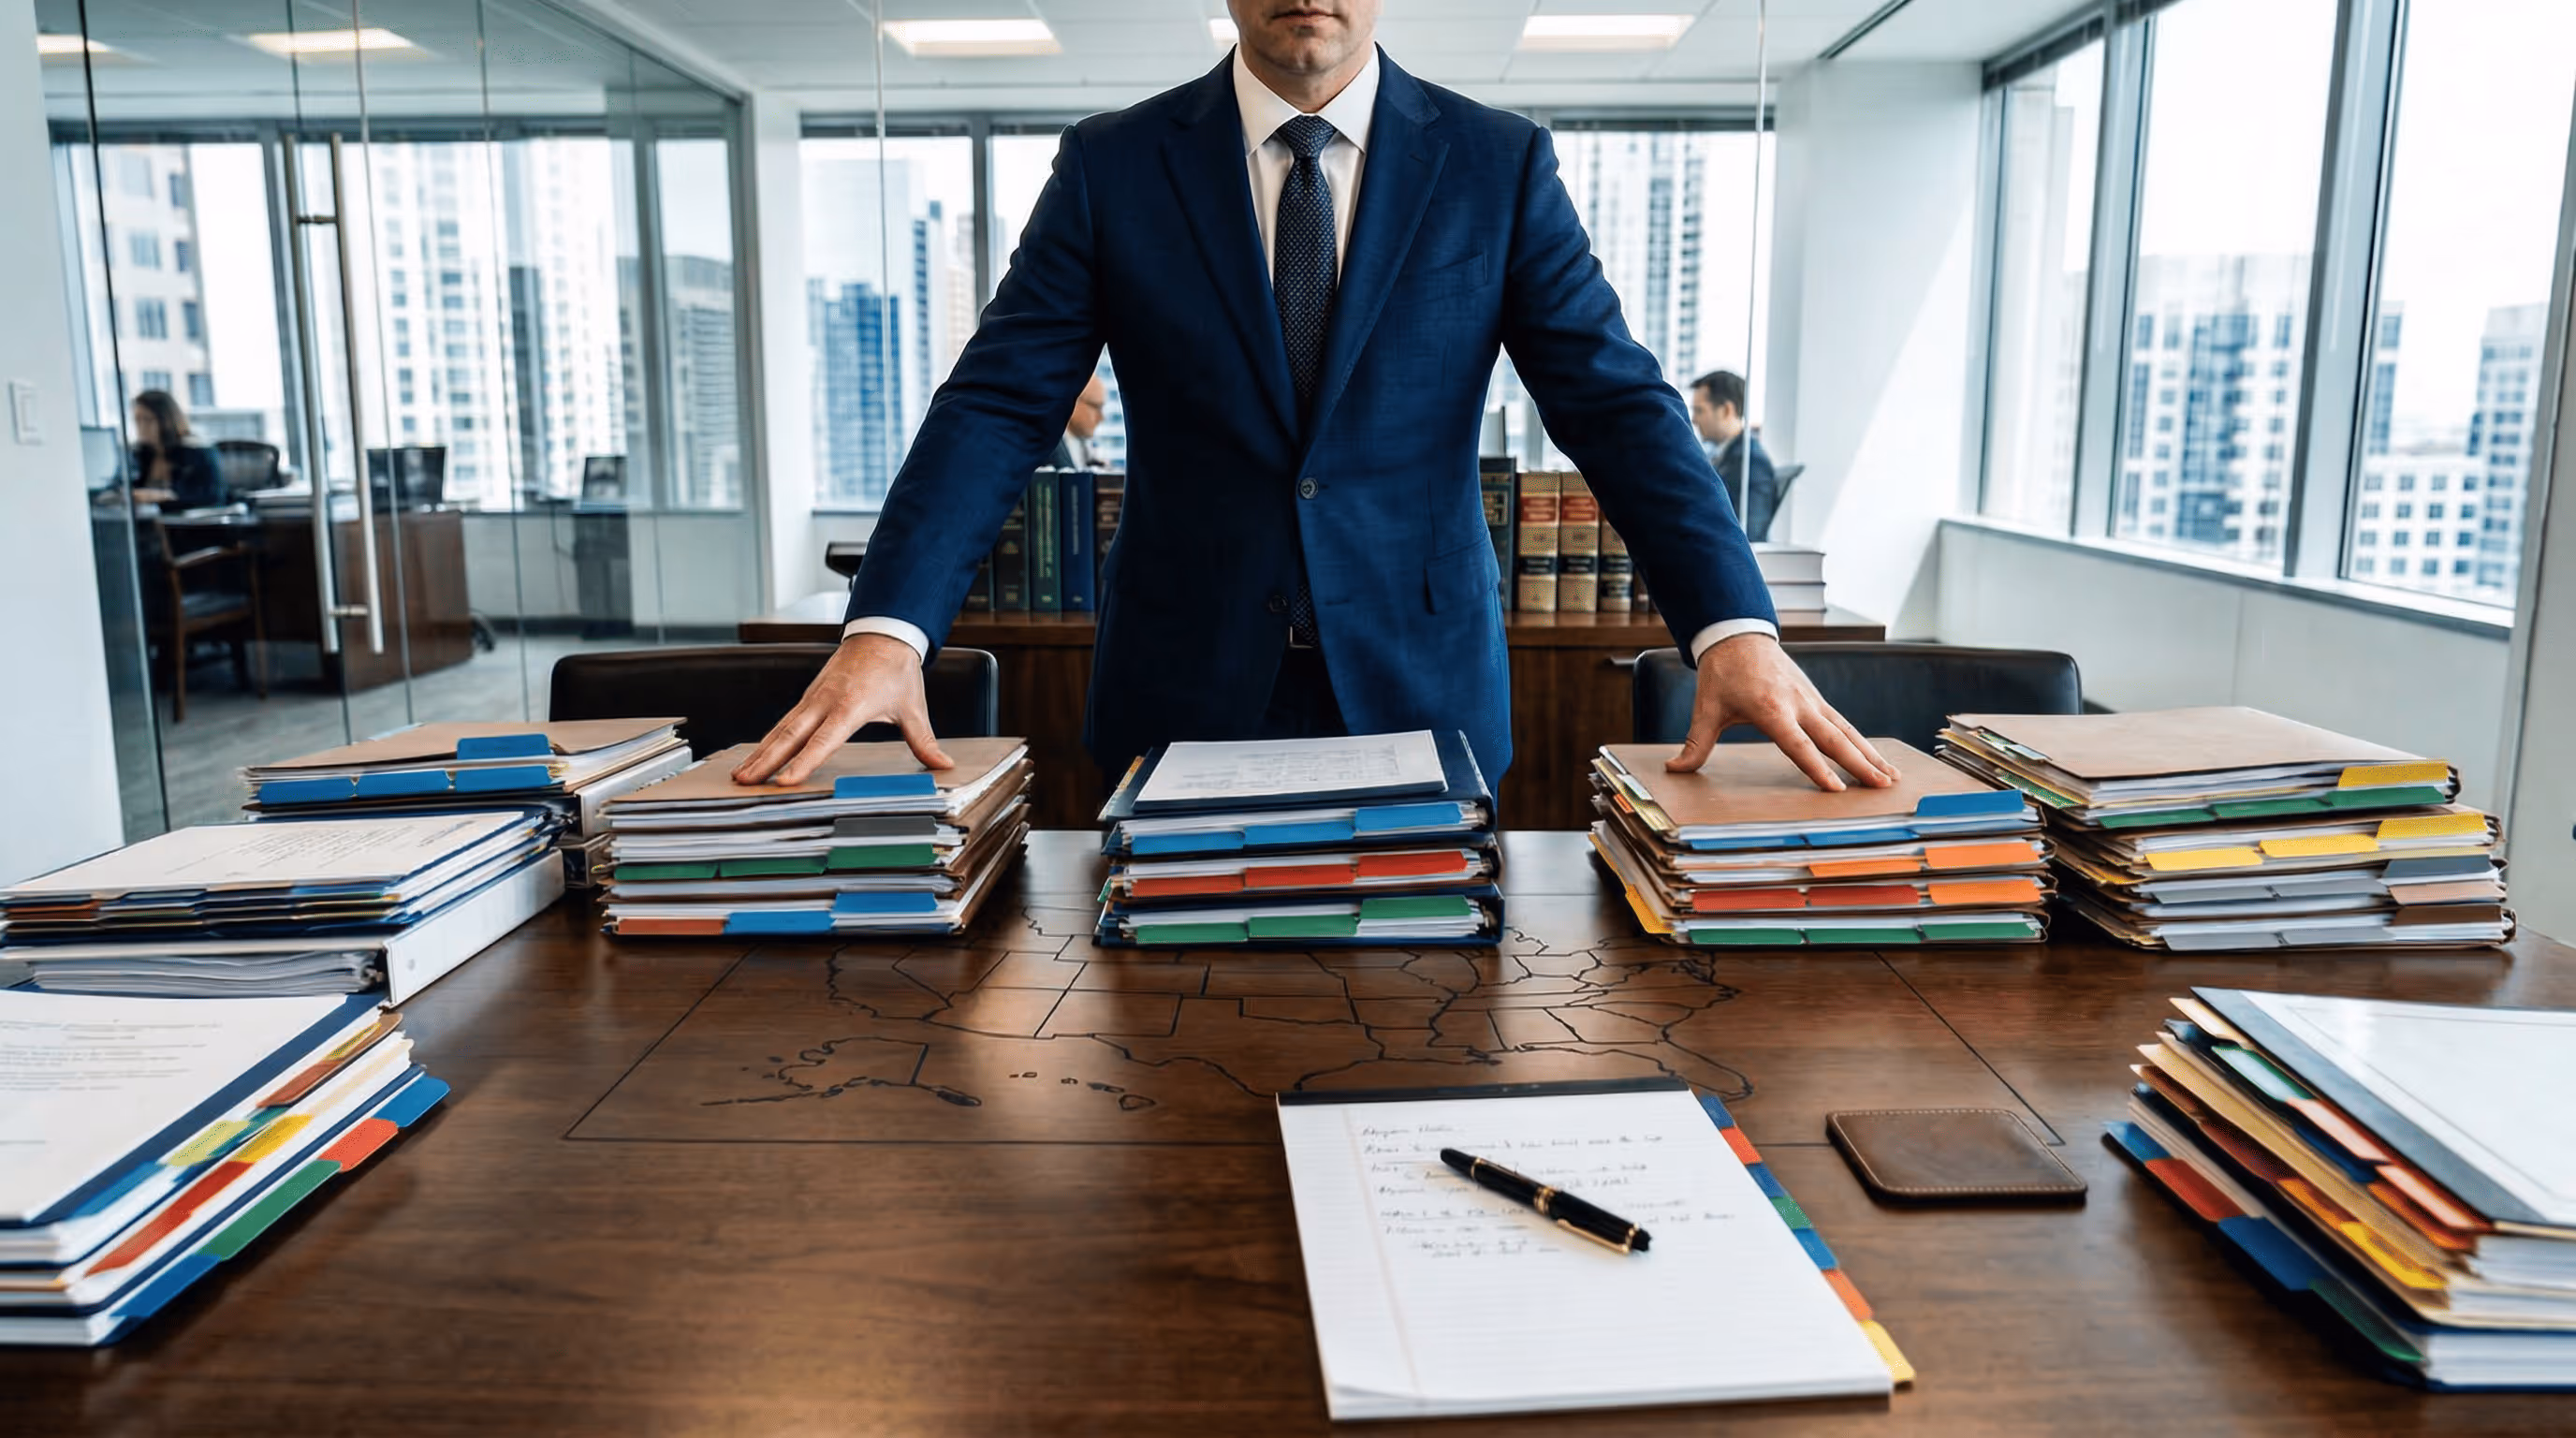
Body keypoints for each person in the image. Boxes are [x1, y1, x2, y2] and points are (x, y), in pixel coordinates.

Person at [739, 0, 1895, 796]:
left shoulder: (1497, 166)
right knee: (1169, 1071)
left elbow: (1616, 406)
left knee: (1425, 1047)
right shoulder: (1113, 166)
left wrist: (1730, 625)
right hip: (1182, 686)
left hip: (1420, 683)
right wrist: (888, 629)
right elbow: (997, 404)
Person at [1689, 370, 1778, 543]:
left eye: (1699, 410)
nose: (1694, 419)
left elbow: (1749, 534)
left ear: (1726, 410)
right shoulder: (1725, 457)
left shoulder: (1752, 463)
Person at [128, 389, 225, 510]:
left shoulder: (198, 451)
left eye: (147, 420)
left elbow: (213, 497)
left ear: (167, 420)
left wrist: (168, 497)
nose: (141, 427)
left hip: (188, 525)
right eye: (137, 420)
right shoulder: (141, 453)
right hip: (150, 523)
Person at [1048, 373, 1112, 470]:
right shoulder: (1048, 447)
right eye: (1096, 407)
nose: (1101, 417)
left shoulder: (1089, 448)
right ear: (1073, 401)